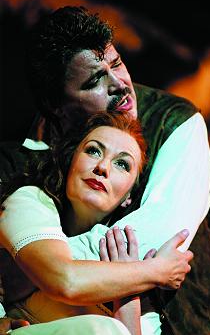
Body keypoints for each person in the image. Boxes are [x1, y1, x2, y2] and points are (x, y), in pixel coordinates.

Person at [0, 6, 210, 334]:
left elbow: (154, 239)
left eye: (117, 64)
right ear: (57, 106)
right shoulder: (20, 160)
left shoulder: (174, 121)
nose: (120, 84)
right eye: (95, 80)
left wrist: (29, 268)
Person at [0, 111, 193, 335]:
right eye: (93, 150)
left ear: (128, 197)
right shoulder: (29, 200)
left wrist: (127, 295)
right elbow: (65, 280)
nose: (103, 167)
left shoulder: (128, 257)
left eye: (122, 164)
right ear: (70, 161)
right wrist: (156, 271)